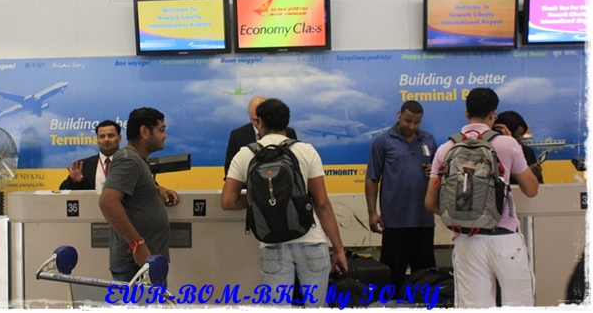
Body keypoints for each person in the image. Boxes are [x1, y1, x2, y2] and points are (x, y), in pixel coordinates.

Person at [221, 98, 347, 307]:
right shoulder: (306, 150)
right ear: (286, 123)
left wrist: (256, 198)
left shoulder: (246, 154)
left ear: (260, 122)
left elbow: (227, 201)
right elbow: (322, 203)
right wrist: (339, 249)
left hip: (271, 243)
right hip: (311, 240)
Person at [425, 88, 539, 308]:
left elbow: (430, 203)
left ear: (466, 112)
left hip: (466, 241)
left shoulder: (445, 149)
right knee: (519, 305)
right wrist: (514, 146)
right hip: (505, 238)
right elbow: (531, 189)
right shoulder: (507, 144)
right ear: (493, 114)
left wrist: (464, 215)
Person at [98, 107, 180, 283]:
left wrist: (159, 189)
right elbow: (107, 202)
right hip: (136, 265)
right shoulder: (129, 159)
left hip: (145, 262)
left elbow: (134, 189)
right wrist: (137, 244)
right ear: (144, 132)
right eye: (161, 130)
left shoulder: (136, 160)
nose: (165, 135)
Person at [364, 100, 437, 293]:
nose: (412, 126)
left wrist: (434, 171)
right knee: (393, 276)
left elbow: (440, 174)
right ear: (399, 115)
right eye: (408, 121)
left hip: (423, 220)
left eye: (416, 122)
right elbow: (372, 179)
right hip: (395, 222)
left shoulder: (429, 140)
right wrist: (372, 213)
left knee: (425, 278)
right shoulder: (382, 141)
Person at [224, 96, 298, 178]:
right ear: (249, 115)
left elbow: (296, 165)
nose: (258, 124)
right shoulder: (238, 135)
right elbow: (230, 170)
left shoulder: (288, 133)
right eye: (254, 120)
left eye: (261, 119)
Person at [59, 120, 122, 191]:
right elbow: (63, 190)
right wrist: (74, 182)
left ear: (119, 138)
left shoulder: (129, 162)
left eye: (110, 136)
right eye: (102, 136)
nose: (106, 139)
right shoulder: (83, 166)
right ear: (97, 140)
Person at [495, 111, 544, 184]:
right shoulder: (493, 153)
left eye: (522, 134)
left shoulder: (528, 152)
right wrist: (525, 174)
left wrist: (535, 175)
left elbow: (539, 185)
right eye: (515, 136)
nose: (520, 138)